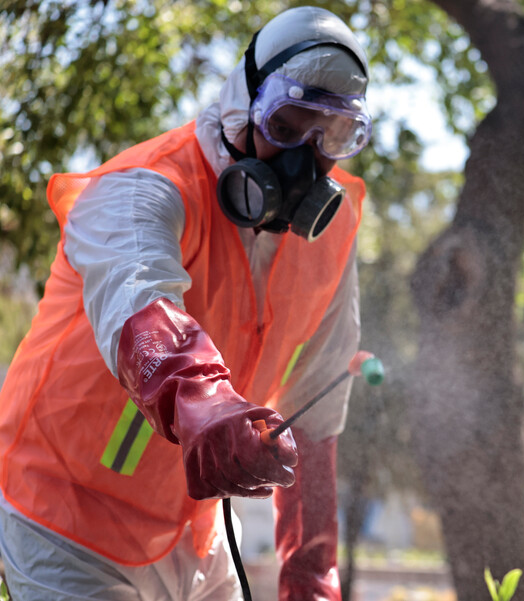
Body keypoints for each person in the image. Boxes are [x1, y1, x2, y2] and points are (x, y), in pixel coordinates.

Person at [0, 6, 371, 600]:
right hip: (65, 520)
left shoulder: (333, 233)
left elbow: (316, 416)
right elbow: (138, 298)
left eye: (333, 135)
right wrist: (203, 403)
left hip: (192, 535)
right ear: (242, 107)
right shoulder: (143, 188)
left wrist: (311, 570)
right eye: (288, 124)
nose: (307, 157)